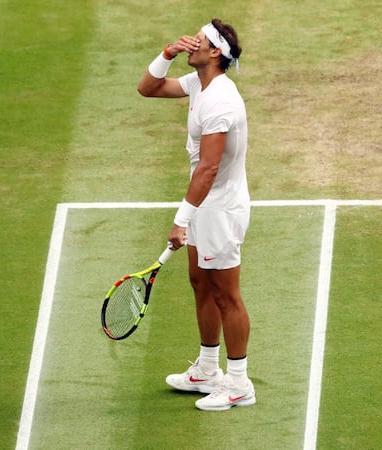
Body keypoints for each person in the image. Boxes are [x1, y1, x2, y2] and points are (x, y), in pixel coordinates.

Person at [137, 19, 254, 411]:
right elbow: (148, 88)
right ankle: (207, 370)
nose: (191, 44)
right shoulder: (198, 85)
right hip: (206, 204)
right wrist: (166, 53)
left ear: (215, 53)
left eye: (198, 41)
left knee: (226, 294)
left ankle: (238, 383)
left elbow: (207, 168)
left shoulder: (220, 100)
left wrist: (180, 219)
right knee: (200, 283)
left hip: (220, 210)